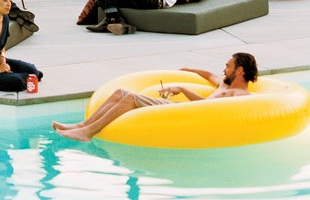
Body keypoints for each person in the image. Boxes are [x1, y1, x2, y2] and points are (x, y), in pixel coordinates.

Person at [52, 53, 258, 142]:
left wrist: (182, 88)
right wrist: (187, 70)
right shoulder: (224, 82)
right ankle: (81, 125)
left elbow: (207, 107)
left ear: (240, 71)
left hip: (182, 114)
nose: (224, 69)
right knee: (119, 93)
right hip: (178, 108)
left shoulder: (238, 94)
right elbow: (208, 74)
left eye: (228, 66)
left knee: (130, 98)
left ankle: (87, 133)